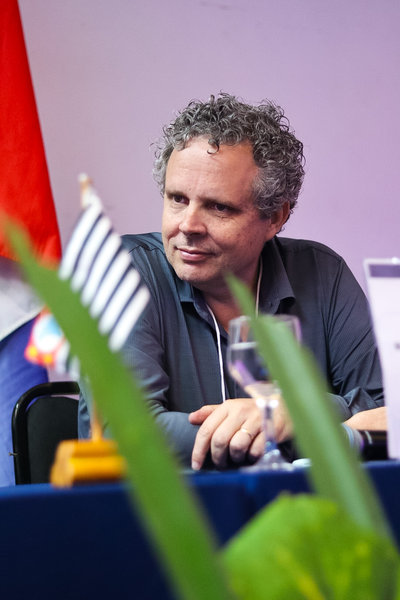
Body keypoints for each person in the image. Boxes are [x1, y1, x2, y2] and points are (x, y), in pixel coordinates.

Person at [79, 93, 385, 470]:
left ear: (275, 218)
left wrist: (295, 412)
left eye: (218, 207)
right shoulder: (119, 273)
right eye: (177, 199)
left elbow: (388, 414)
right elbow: (126, 436)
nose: (188, 225)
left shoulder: (323, 273)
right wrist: (288, 425)